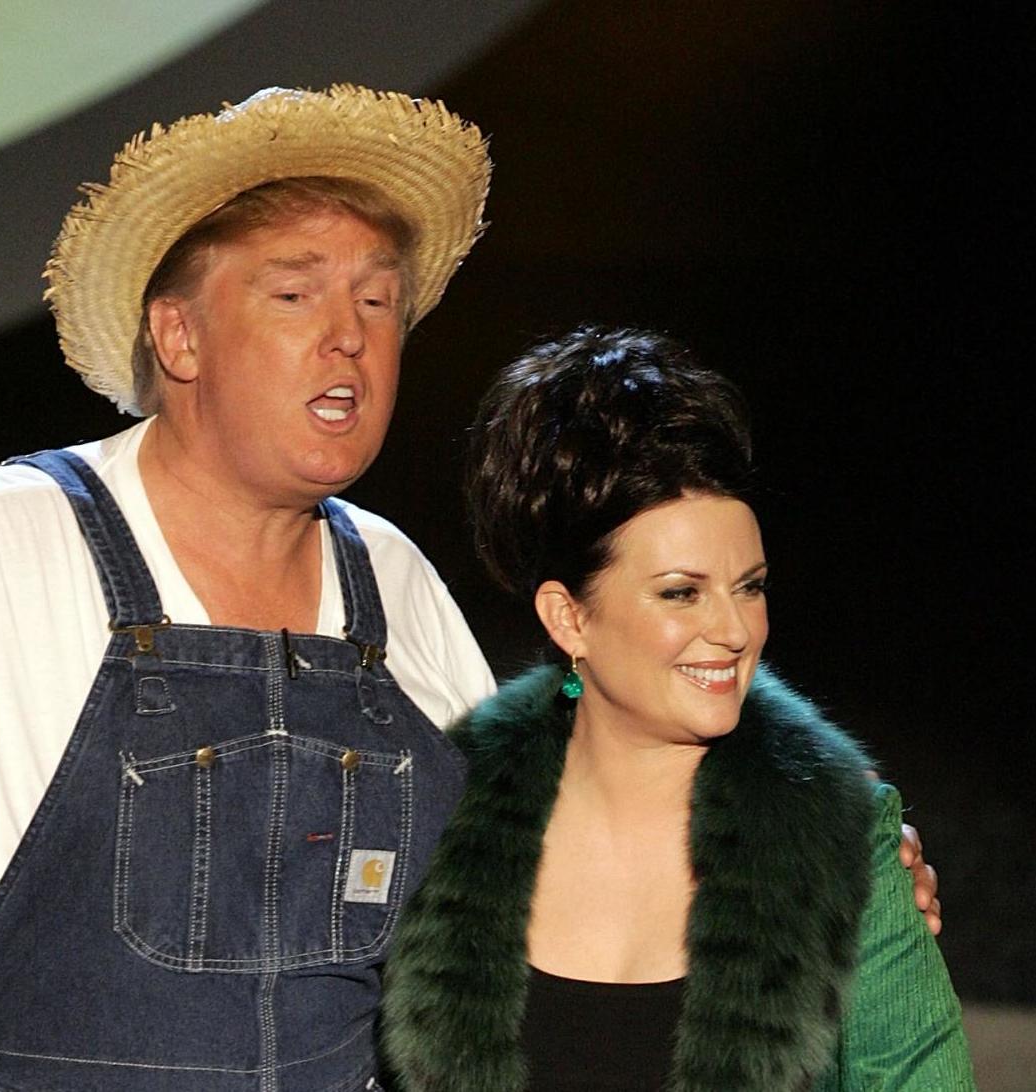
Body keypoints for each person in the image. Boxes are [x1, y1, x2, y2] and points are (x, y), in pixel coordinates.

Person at [0, 89, 939, 1091]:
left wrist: (808, 862)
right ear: (178, 334)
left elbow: (556, 853)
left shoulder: (391, 589)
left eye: (378, 300)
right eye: (292, 296)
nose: (348, 338)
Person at [378, 328, 973, 1091]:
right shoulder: (434, 816)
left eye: (749, 586)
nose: (734, 630)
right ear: (569, 618)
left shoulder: (841, 842)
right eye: (681, 593)